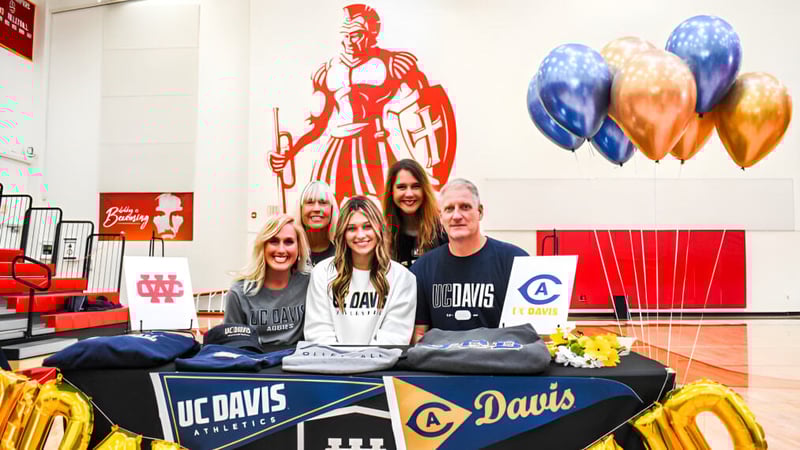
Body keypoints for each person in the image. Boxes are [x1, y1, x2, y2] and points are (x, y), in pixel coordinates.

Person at [268, 4, 455, 207]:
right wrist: (289, 152)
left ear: (372, 32)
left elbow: (427, 108)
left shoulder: (393, 64)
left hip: (375, 147)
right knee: (329, 211)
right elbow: (317, 123)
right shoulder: (328, 71)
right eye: (345, 34)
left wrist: (432, 173)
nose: (349, 40)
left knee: (383, 211)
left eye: (356, 34)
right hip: (337, 149)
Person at [410, 179, 529, 342]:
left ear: (480, 211)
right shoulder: (422, 269)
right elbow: (419, 335)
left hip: (498, 364)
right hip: (442, 365)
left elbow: (531, 332)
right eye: (449, 209)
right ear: (441, 216)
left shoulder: (515, 261)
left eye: (465, 207)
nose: (457, 216)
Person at [304, 196, 416, 345]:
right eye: (351, 228)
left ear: (379, 229)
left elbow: (394, 337)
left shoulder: (403, 278)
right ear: (343, 233)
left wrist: (363, 362)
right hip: (333, 364)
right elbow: (319, 332)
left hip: (381, 366)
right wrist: (342, 362)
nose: (360, 235)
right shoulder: (322, 273)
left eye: (367, 226)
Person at [224, 214, 310, 345]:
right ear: (262, 246)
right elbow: (232, 345)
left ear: (299, 248)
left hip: (296, 361)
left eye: (289, 242)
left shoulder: (309, 284)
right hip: (255, 361)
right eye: (274, 241)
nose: (281, 250)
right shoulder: (239, 293)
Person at [382, 159, 448, 268]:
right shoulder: (382, 236)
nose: (409, 194)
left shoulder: (443, 231)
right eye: (401, 187)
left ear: (424, 190)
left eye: (416, 186)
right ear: (391, 192)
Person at [295, 181, 339, 266]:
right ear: (300, 209)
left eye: (323, 203)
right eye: (310, 202)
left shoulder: (343, 252)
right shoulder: (289, 249)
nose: (316, 208)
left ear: (332, 209)